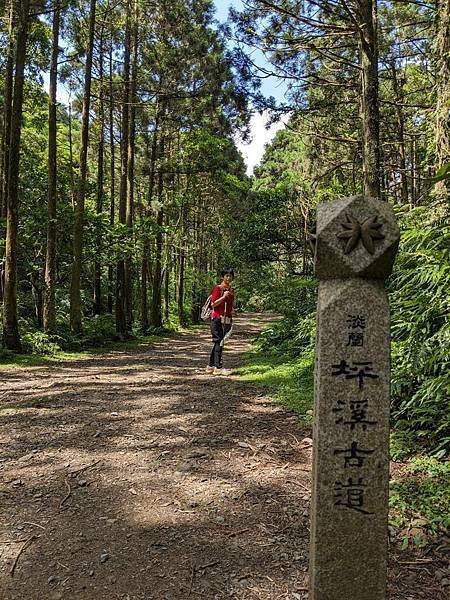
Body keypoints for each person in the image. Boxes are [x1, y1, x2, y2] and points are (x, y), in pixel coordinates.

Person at [205, 268, 235, 375]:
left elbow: (231, 304)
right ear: (222, 277)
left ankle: (211, 366)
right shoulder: (218, 288)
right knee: (219, 342)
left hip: (226, 319)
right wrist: (223, 297)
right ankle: (218, 367)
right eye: (226, 276)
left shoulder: (231, 290)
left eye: (230, 276)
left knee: (219, 342)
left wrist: (232, 311)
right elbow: (213, 304)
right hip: (217, 318)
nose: (228, 278)